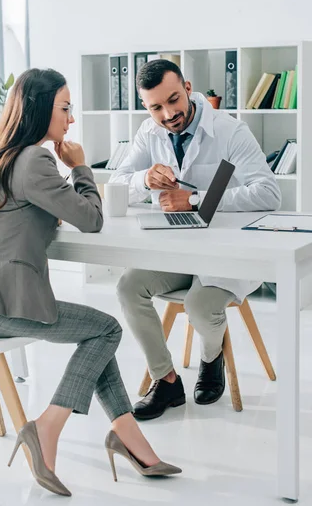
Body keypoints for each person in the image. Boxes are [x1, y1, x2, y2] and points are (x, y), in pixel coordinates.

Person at [0, 68, 181, 496]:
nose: (71, 119)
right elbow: (90, 219)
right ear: (39, 110)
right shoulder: (36, 159)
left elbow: (35, 211)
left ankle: (132, 443)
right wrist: (80, 166)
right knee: (106, 329)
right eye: (65, 108)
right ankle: (46, 427)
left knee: (97, 336)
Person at [110, 59, 281, 420]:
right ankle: (167, 380)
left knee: (200, 306)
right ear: (146, 106)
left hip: (227, 256)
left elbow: (269, 193)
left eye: (173, 100)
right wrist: (144, 180)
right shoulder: (148, 132)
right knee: (128, 287)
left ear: (188, 88)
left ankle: (211, 356)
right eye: (156, 107)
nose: (168, 113)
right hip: (176, 252)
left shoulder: (230, 131)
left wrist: (198, 199)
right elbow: (117, 183)